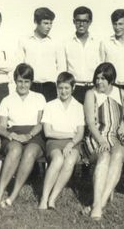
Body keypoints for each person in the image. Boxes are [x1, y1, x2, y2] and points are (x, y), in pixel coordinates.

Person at [0, 63, 46, 207]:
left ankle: (12, 196)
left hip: (34, 135)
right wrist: (10, 135)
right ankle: (0, 193)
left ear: (31, 82)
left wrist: (29, 136)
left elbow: (40, 124)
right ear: (15, 80)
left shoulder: (39, 98)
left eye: (27, 81)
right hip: (13, 135)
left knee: (30, 152)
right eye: (20, 81)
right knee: (15, 150)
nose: (23, 85)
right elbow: (1, 127)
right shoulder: (7, 100)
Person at [81, 62, 124, 220]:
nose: (99, 82)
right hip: (95, 137)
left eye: (103, 79)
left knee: (119, 153)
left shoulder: (122, 94)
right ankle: (97, 205)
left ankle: (98, 204)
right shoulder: (90, 94)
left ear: (111, 80)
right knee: (104, 156)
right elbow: (90, 123)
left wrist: (122, 125)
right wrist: (101, 141)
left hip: (114, 137)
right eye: (97, 78)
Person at [38, 72, 85, 210]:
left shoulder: (78, 107)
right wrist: (70, 134)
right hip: (53, 142)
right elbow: (48, 132)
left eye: (67, 88)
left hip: (74, 143)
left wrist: (71, 143)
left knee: (69, 161)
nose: (63, 91)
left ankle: (52, 198)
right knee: (58, 159)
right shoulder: (50, 105)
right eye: (60, 88)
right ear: (56, 88)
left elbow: (80, 133)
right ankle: (44, 198)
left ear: (73, 88)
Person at [17, 7, 64, 102]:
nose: (49, 27)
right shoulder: (24, 40)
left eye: (51, 23)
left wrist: (60, 89)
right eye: (46, 23)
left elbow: (61, 67)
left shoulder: (56, 42)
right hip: (30, 86)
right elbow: (18, 66)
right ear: (36, 22)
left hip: (50, 88)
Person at [62, 6, 102, 104]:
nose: (81, 24)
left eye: (85, 21)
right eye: (78, 21)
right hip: (74, 89)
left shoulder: (98, 42)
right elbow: (63, 69)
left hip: (93, 88)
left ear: (90, 22)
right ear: (73, 21)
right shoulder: (66, 43)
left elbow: (101, 66)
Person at [101, 9, 124, 95]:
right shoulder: (105, 43)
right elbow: (101, 67)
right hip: (112, 87)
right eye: (115, 24)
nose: (117, 27)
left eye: (120, 24)